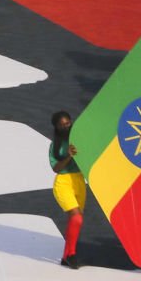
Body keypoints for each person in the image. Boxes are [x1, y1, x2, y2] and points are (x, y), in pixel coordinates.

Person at [50, 110, 84, 268]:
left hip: (79, 181)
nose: (66, 126)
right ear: (56, 127)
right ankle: (72, 255)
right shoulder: (55, 146)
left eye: (68, 123)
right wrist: (68, 155)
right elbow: (56, 168)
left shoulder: (79, 139)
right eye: (61, 125)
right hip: (63, 182)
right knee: (77, 218)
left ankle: (65, 257)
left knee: (75, 221)